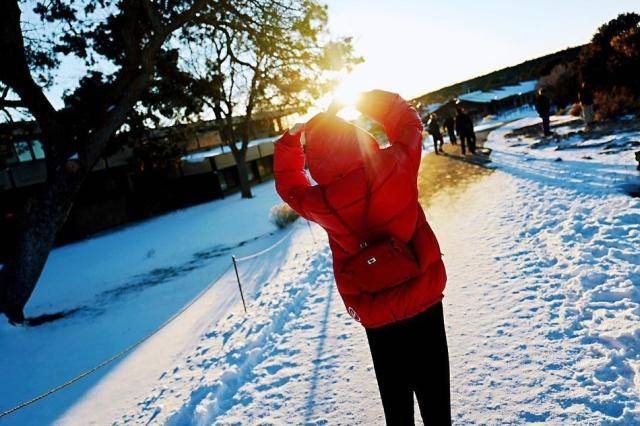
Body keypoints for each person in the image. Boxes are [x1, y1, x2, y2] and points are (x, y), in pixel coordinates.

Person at [274, 90, 450, 425]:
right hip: (423, 294)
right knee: (436, 402)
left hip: (375, 310)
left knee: (396, 408)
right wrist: (363, 100)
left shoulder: (320, 202)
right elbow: (408, 122)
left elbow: (289, 185)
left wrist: (292, 141)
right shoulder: (394, 164)